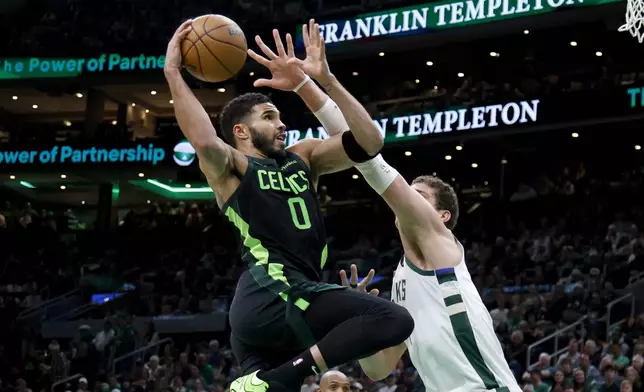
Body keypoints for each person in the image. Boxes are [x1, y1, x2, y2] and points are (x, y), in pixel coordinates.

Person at [164, 19, 413, 392]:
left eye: (280, 117)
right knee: (393, 320)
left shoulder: (304, 157)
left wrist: (321, 81)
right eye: (269, 118)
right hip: (275, 293)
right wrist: (173, 73)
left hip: (278, 314)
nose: (282, 125)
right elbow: (204, 140)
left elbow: (370, 141)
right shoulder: (232, 168)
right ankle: (287, 374)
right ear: (241, 132)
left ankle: (267, 378)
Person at [332, 106, 521, 390]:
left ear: (442, 217)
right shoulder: (402, 280)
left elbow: (368, 160)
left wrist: (317, 84)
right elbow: (378, 369)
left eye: (417, 197)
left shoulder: (442, 248)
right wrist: (358, 324)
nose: (407, 201)